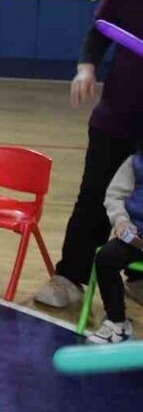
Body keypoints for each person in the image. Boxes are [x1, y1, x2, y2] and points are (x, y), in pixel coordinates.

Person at [36, 0, 143, 309]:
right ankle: (70, 277)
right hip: (117, 119)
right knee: (94, 197)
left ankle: (138, 277)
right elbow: (99, 33)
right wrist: (86, 67)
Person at [86, 147, 143, 343]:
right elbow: (114, 196)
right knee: (106, 257)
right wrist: (121, 221)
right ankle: (117, 321)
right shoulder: (135, 162)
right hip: (137, 238)